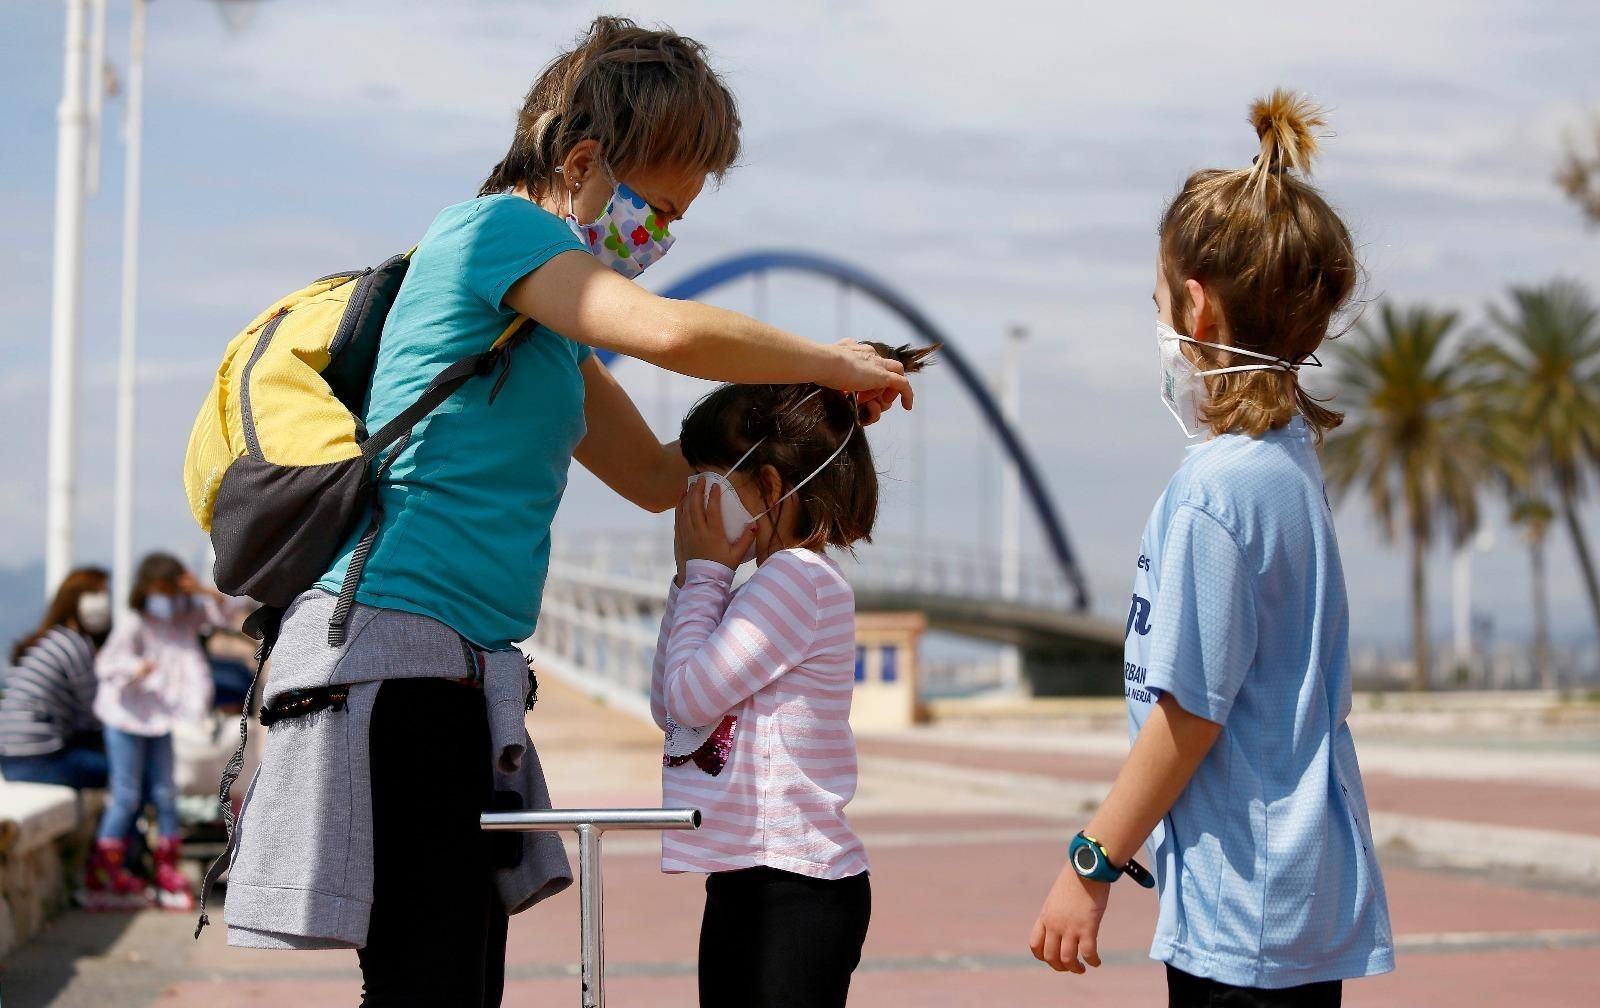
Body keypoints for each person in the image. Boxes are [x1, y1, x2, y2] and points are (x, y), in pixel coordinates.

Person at [216, 16, 911, 1007]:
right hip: (392, 649)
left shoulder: (546, 341)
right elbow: (668, 333)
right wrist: (821, 355)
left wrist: (807, 415)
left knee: (447, 978)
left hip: (462, 669)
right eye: (656, 208)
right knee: (436, 979)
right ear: (582, 164)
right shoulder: (493, 234)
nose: (659, 239)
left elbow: (660, 477)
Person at [1028, 90, 1393, 1006]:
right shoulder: (1289, 466)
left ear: (1196, 311)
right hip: (1295, 898)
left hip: (1244, 913)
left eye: (1155, 301)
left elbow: (1190, 713)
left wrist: (1091, 862)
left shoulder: (1215, 488)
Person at [652, 343, 933, 1008]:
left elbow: (687, 692)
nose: (693, 499)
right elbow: (675, 706)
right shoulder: (765, 586)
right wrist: (693, 582)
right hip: (753, 872)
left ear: (771, 488)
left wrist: (706, 575)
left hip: (793, 884)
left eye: (709, 481)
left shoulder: (796, 581)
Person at [91, 553, 243, 912]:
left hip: (160, 716)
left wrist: (203, 589)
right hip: (126, 714)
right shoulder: (135, 624)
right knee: (127, 794)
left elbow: (228, 616)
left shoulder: (185, 618)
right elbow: (106, 664)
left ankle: (165, 865)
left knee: (165, 791)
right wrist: (135, 669)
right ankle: (105, 868)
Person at [0, 567, 112, 789]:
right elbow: (93, 715)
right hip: (41, 759)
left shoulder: (47, 640)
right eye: (100, 595)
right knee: (131, 777)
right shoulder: (74, 645)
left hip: (9, 757)